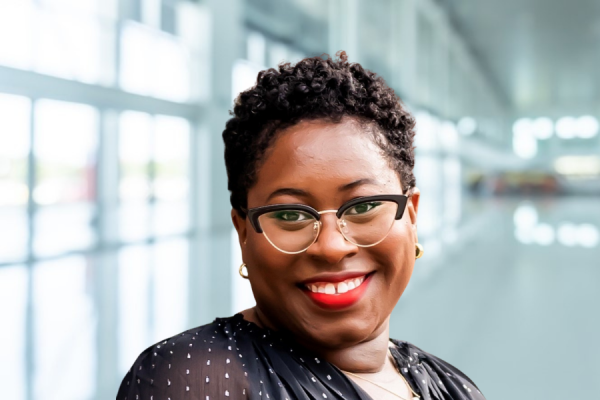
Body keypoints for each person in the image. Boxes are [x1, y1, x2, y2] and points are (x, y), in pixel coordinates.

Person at [117, 52, 486, 400]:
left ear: (412, 216)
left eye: (364, 207)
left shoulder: (450, 385)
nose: (331, 246)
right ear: (244, 232)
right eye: (291, 215)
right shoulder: (200, 376)